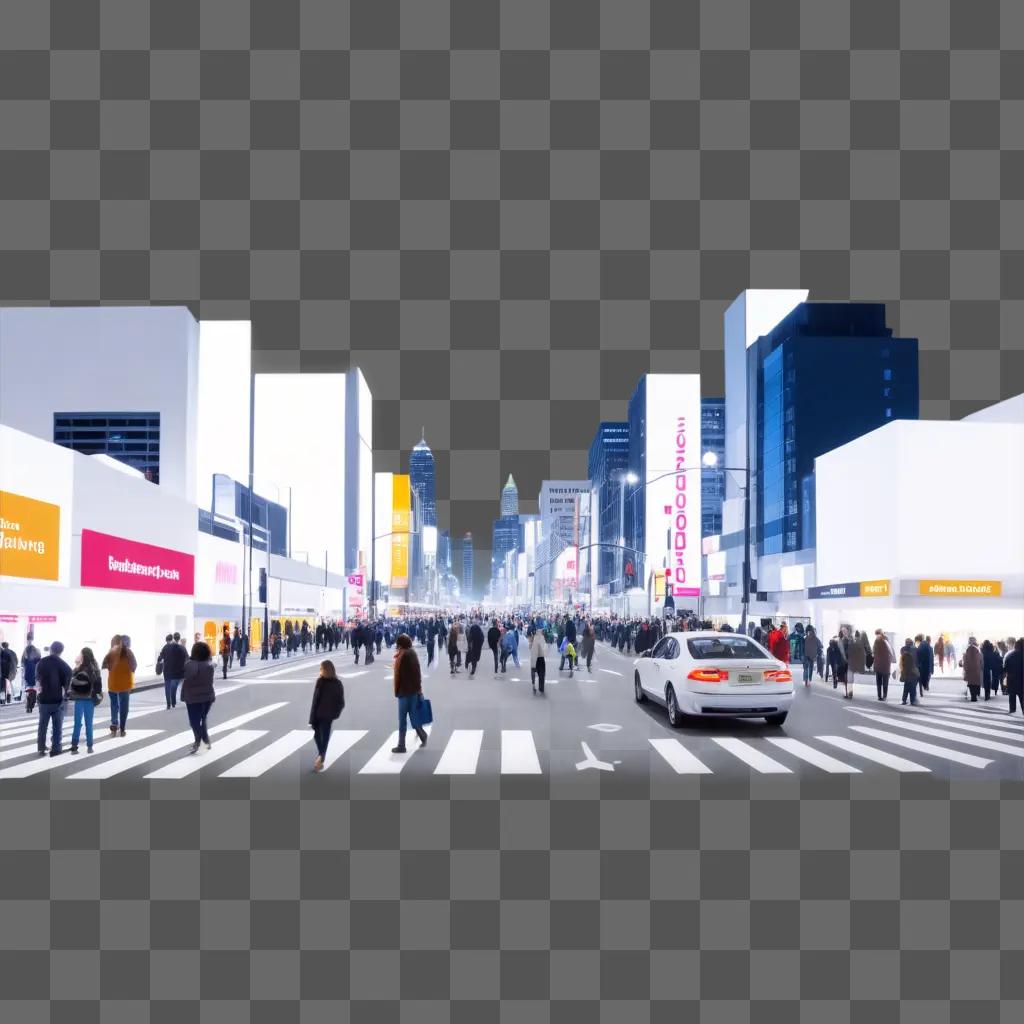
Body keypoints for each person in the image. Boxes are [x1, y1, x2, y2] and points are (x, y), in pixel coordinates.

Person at [35, 641, 72, 756]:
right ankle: (56, 748)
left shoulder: (41, 662)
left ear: (51, 649)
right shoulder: (64, 665)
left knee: (42, 724)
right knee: (57, 725)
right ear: (61, 651)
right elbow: (67, 685)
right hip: (57, 700)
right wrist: (66, 694)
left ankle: (41, 747)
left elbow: (37, 679)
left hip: (43, 699)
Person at [393, 633, 427, 754]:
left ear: (401, 645)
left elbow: (402, 675)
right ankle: (423, 736)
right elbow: (417, 674)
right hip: (412, 692)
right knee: (413, 717)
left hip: (404, 693)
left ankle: (401, 745)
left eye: (398, 644)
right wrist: (419, 690)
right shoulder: (411, 653)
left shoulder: (403, 656)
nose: (397, 646)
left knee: (402, 720)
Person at [309, 660, 345, 772]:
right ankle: (321, 756)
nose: (320, 670)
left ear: (326, 670)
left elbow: (315, 701)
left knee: (320, 736)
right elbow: (341, 702)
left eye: (321, 668)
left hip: (322, 715)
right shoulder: (336, 683)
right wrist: (335, 713)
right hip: (325, 716)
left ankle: (320, 757)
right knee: (321, 737)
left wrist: (312, 717)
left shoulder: (322, 682)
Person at [181, 641, 216, 753]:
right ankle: (203, 741)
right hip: (207, 697)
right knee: (202, 719)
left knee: (194, 722)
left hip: (193, 697)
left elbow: (187, 676)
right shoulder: (209, 664)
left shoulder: (190, 665)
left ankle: (200, 742)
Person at [69, 647, 102, 754]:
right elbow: (98, 687)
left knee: (77, 723)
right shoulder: (95, 669)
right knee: (89, 723)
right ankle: (90, 745)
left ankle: (74, 745)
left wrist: (77, 664)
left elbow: (71, 679)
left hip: (79, 698)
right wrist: (99, 695)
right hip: (90, 699)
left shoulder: (79, 668)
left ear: (83, 655)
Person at [102, 635, 136, 736]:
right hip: (125, 684)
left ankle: (114, 723)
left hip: (112, 683)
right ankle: (122, 729)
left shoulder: (110, 652)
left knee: (114, 705)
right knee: (124, 706)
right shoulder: (128, 652)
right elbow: (134, 665)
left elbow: (104, 666)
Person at [157, 633, 188, 710]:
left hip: (167, 671)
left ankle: (169, 704)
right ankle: (174, 702)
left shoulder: (166, 647)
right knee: (175, 687)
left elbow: (160, 658)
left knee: (168, 687)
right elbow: (186, 658)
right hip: (177, 671)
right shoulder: (180, 648)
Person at [872, 629, 893, 701]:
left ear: (881, 634)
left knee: (884, 682)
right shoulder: (877, 641)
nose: (877, 635)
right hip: (880, 664)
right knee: (880, 682)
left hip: (884, 665)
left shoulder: (884, 640)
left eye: (878, 634)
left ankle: (883, 696)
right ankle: (880, 696)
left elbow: (890, 651)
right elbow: (874, 651)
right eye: (876, 634)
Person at [961, 637, 983, 702]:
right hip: (977, 670)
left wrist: (965, 669)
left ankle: (973, 696)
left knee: (971, 683)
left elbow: (965, 660)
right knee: (976, 683)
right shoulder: (978, 650)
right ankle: (975, 695)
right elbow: (981, 660)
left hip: (969, 670)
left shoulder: (967, 650)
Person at [1005, 638, 1023, 715]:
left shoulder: (1010, 655)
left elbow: (1006, 668)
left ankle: (1012, 709)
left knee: (1012, 695)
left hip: (1012, 678)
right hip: (1022, 679)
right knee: (1022, 695)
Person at [899, 638, 920, 705]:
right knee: (912, 687)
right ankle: (912, 701)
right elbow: (917, 661)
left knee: (906, 686)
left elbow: (902, 661)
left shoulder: (903, 650)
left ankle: (904, 700)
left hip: (906, 671)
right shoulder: (915, 650)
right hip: (913, 671)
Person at [529, 627, 547, 694]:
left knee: (533, 672)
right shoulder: (542, 638)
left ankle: (533, 686)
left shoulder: (534, 638)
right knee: (542, 674)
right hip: (541, 658)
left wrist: (531, 642)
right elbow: (545, 650)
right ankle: (541, 688)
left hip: (534, 658)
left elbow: (531, 648)